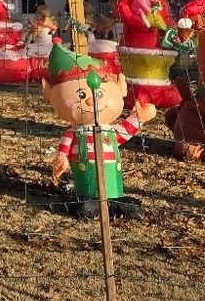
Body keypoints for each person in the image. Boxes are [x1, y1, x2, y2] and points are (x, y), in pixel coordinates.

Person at [43, 42, 155, 219]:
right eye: (81, 95)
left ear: (121, 88)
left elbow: (123, 132)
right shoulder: (73, 133)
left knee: (112, 185)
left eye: (99, 94)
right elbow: (63, 150)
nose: (90, 101)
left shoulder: (109, 131)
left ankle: (116, 199)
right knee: (88, 194)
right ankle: (89, 201)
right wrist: (61, 159)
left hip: (112, 176)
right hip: (86, 179)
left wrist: (138, 117)